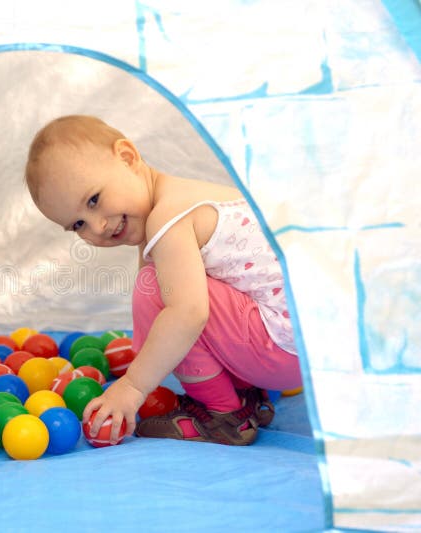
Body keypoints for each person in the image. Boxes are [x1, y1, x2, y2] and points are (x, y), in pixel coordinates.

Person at [24, 115, 301, 446]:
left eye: (94, 200)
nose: (97, 226)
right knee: (162, 287)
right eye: (78, 224)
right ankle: (248, 396)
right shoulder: (185, 196)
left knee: (156, 293)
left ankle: (226, 416)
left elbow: (187, 313)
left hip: (283, 348)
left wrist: (132, 387)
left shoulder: (167, 220)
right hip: (307, 347)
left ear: (127, 157)